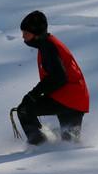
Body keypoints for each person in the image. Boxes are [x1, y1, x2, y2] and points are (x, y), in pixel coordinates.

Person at [15, 10, 89, 144]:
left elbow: (58, 77)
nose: (23, 37)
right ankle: (49, 149)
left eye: (26, 33)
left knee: (24, 110)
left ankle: (39, 146)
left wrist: (32, 96)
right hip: (76, 99)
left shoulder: (48, 47)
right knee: (70, 144)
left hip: (67, 98)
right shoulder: (48, 43)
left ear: (36, 34)